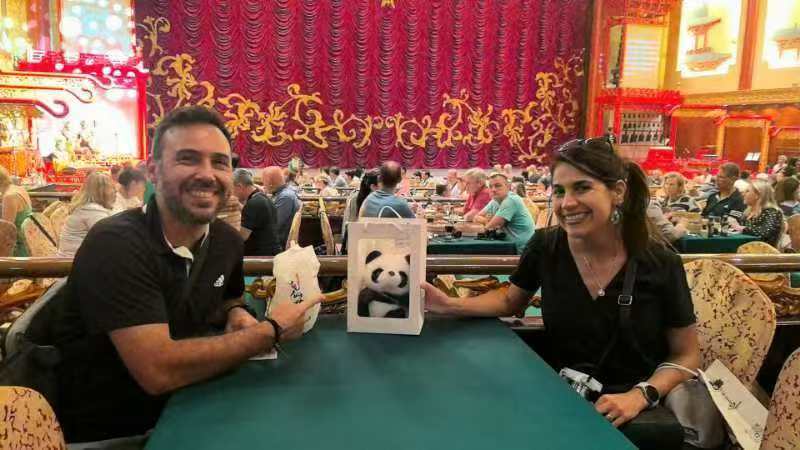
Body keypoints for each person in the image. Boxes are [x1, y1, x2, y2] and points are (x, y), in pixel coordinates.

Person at [49, 106, 320, 443]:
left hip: (194, 404)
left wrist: (235, 312)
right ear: (153, 171)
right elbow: (158, 371)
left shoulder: (225, 241)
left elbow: (229, 296)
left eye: (219, 162)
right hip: (120, 433)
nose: (207, 174)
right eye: (188, 159)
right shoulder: (115, 243)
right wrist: (271, 329)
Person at [422, 138, 699, 449]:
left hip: (632, 416)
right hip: (560, 402)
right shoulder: (546, 246)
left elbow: (686, 354)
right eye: (559, 191)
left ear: (618, 192)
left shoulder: (660, 263)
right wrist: (448, 304)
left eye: (582, 188)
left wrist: (640, 395)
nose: (567, 203)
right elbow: (510, 300)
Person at [57, 172, 116, 257]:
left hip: (72, 257)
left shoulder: (84, 206)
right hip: (72, 261)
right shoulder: (92, 211)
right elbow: (108, 238)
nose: (114, 191)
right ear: (102, 191)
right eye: (111, 188)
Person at [473, 173, 535, 253]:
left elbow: (490, 227)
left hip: (522, 251)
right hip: (507, 246)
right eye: (490, 187)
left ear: (508, 187)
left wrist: (488, 223)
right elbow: (476, 217)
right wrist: (486, 221)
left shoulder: (511, 200)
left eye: (498, 186)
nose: (493, 189)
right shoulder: (495, 200)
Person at [233, 168, 281, 256]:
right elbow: (251, 215)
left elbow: (242, 237)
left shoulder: (253, 204)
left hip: (261, 257)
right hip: (273, 252)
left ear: (239, 187)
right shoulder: (262, 197)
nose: (232, 193)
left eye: (232, 189)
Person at [729, 179, 784, 247]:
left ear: (757, 195)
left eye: (747, 191)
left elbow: (763, 232)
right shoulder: (747, 212)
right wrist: (733, 225)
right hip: (746, 248)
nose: (743, 194)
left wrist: (741, 228)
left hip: (764, 251)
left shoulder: (771, 211)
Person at [263, 166, 302, 249]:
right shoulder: (283, 193)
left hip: (278, 243)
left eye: (264, 182)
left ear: (270, 183)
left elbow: (275, 225)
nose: (263, 185)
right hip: (277, 239)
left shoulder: (285, 197)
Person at [0, 166, 33, 256]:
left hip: (17, 251)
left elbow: (5, 233)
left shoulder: (9, 197)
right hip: (28, 244)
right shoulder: (19, 189)